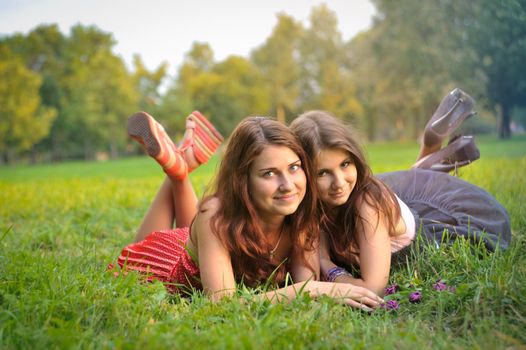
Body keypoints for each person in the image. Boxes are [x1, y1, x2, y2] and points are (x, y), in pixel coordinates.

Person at [116, 110, 383, 309]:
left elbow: (306, 282)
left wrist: (315, 289)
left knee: (192, 229)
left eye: (293, 167)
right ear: (243, 180)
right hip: (163, 263)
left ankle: (179, 171)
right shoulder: (215, 217)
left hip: (200, 244)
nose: (287, 185)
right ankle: (176, 173)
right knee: (145, 250)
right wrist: (310, 289)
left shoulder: (302, 209)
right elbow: (222, 303)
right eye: (269, 174)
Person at [290, 89, 511, 296]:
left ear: (356, 158)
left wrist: (328, 267)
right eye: (322, 173)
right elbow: (306, 284)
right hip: (405, 201)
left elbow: (373, 287)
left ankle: (429, 162)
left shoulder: (367, 207)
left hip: (435, 228)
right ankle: (428, 158)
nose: (338, 182)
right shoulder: (308, 206)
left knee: (384, 197)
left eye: (345, 164)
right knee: (406, 187)